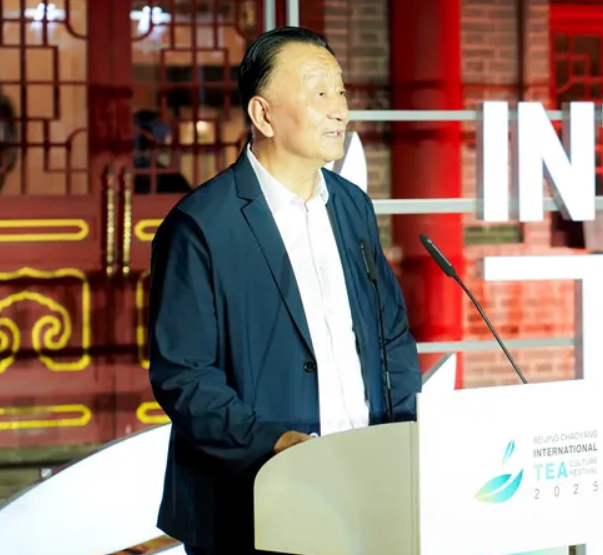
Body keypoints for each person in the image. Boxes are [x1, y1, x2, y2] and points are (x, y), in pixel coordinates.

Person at [147, 27, 422, 555]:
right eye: (319, 93)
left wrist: (402, 425)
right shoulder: (202, 226)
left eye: (340, 91)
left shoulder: (352, 207)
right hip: (252, 500)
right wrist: (274, 443)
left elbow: (391, 334)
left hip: (366, 482)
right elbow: (185, 377)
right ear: (264, 115)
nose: (340, 110)